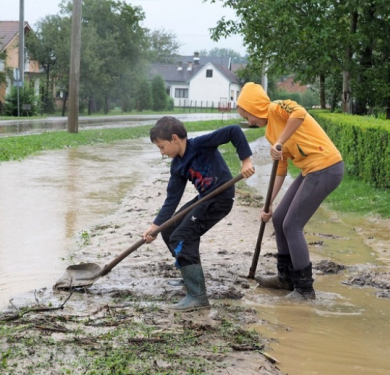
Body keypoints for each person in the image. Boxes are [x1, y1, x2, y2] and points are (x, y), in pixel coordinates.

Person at [237, 82, 344, 300]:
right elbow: (281, 170)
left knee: (292, 225)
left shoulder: (277, 107)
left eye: (248, 116)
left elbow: (300, 113)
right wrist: (268, 205)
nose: (249, 122)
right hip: (310, 170)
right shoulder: (269, 133)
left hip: (326, 167)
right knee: (278, 219)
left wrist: (280, 141)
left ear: (256, 107)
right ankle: (285, 278)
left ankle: (305, 290)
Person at [143, 116, 255, 312]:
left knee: (183, 237)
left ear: (175, 138)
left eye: (162, 147)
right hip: (205, 197)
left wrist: (245, 161)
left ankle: (197, 296)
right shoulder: (177, 165)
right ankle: (190, 277)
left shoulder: (201, 144)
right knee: (169, 229)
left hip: (220, 198)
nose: (162, 152)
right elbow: (172, 199)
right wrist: (155, 226)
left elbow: (233, 131)